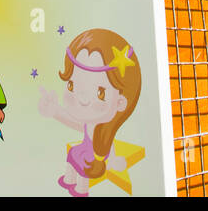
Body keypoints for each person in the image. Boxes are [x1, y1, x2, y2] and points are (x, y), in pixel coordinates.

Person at [38, 27, 142, 196]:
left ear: (120, 102)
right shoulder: (91, 124)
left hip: (94, 157)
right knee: (73, 154)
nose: (82, 99)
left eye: (100, 92)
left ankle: (81, 189)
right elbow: (75, 123)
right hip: (85, 151)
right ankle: (69, 180)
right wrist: (55, 111)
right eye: (71, 84)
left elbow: (108, 148)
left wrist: (113, 161)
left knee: (83, 165)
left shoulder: (104, 130)